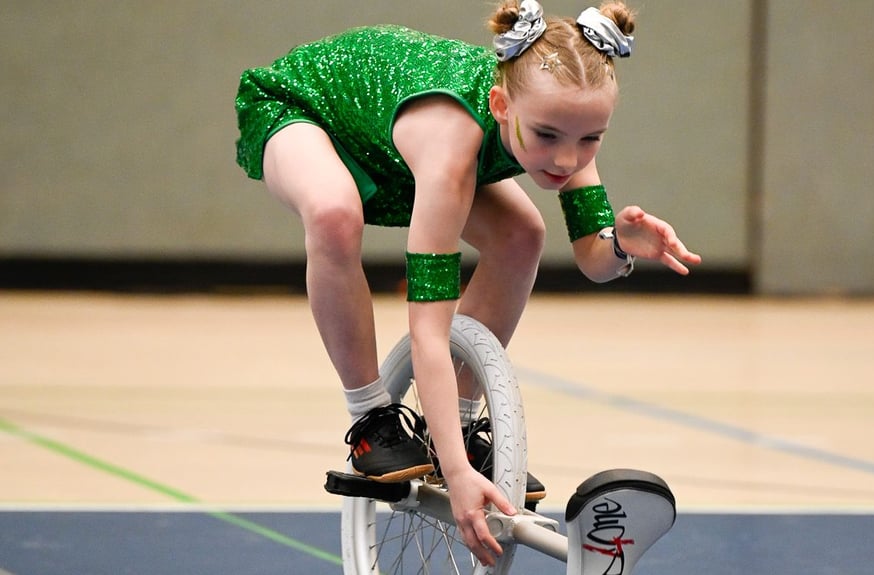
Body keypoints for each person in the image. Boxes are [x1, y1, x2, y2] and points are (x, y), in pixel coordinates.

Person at [234, 0, 700, 565]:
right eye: (549, 136)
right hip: (311, 110)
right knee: (335, 214)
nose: (567, 158)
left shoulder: (561, 122)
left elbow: (591, 260)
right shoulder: (452, 147)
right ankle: (369, 419)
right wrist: (455, 476)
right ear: (502, 106)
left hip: (399, 143)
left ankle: (447, 421)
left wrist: (623, 243)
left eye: (590, 140)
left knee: (522, 234)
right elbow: (428, 331)